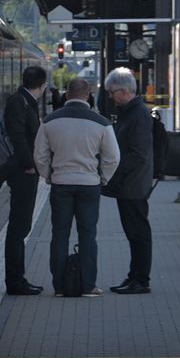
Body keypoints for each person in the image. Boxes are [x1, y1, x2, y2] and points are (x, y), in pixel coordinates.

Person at [33, 77, 120, 297]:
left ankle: (60, 287)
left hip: (61, 184)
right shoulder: (101, 123)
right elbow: (113, 157)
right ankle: (88, 285)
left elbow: (40, 156)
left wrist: (49, 176)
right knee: (88, 234)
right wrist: (103, 178)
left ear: (67, 94)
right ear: (88, 95)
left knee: (59, 234)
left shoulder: (49, 121)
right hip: (89, 185)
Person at [102, 67, 154, 295]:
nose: (110, 97)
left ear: (123, 91)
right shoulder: (130, 112)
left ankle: (141, 279)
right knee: (133, 232)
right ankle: (134, 276)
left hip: (134, 183)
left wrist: (114, 168)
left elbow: (138, 154)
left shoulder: (138, 114)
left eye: (112, 92)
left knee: (138, 232)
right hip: (129, 183)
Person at [3, 65, 48, 296]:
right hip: (23, 173)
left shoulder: (22, 101)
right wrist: (30, 164)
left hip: (26, 171)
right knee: (19, 227)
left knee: (21, 226)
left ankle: (17, 278)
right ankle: (15, 281)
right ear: (43, 86)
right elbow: (18, 137)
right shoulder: (19, 103)